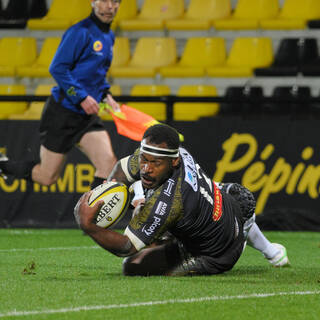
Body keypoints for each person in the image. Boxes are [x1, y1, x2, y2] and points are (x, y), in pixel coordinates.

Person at [74, 124, 290, 276]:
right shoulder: (172, 152)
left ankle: (240, 240)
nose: (147, 169)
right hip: (223, 206)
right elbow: (123, 169)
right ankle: (263, 244)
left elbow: (127, 246)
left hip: (216, 254)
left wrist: (90, 226)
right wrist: (113, 190)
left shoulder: (169, 202)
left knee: (132, 266)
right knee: (233, 194)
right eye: (144, 160)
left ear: (174, 162)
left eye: (155, 163)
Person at [0, 0, 121, 189]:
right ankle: (3, 165)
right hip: (62, 114)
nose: (110, 6)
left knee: (108, 166)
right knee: (47, 177)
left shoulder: (109, 35)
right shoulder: (80, 32)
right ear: (93, 2)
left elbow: (97, 72)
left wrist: (106, 94)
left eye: (115, 2)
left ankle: (89, 217)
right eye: (104, 1)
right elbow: (57, 68)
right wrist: (81, 96)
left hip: (86, 116)